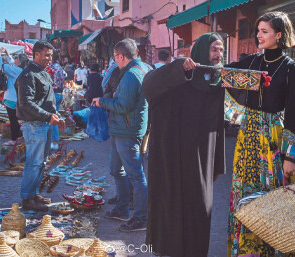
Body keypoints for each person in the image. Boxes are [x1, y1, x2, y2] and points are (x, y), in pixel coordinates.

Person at [225, 12, 295, 256]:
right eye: (258, 30)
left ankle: (268, 249)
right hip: (247, 138)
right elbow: (223, 76)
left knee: (271, 197)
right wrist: (194, 68)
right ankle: (246, 250)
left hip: (274, 142)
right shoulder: (252, 62)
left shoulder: (292, 70)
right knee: (243, 191)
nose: (258, 35)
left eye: (264, 31)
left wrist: (290, 158)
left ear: (279, 35)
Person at [142, 32, 226, 257]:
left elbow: (219, 126)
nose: (218, 54)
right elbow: (148, 87)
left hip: (201, 160)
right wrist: (178, 68)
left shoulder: (218, 83)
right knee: (172, 208)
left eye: (221, 50)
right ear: (200, 51)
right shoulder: (180, 76)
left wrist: (217, 161)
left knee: (199, 210)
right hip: (173, 155)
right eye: (214, 49)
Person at [92, 38, 150, 232]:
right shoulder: (142, 68)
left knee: (136, 175)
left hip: (127, 130)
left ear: (121, 56)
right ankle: (122, 208)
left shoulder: (132, 75)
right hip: (125, 128)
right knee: (117, 169)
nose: (114, 61)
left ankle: (141, 218)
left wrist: (102, 102)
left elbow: (123, 106)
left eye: (115, 57)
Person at [15, 41, 65, 211]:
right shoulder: (28, 75)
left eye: (51, 55)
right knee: (34, 162)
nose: (50, 59)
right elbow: (25, 103)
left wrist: (57, 116)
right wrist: (47, 116)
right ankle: (27, 199)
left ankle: (33, 194)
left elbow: (46, 100)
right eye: (47, 55)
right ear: (36, 54)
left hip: (44, 124)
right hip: (34, 125)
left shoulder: (42, 73)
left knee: (41, 162)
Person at [0, 47, 27, 146]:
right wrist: (7, 54)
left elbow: (1, 66)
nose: (15, 59)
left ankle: (14, 140)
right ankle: (18, 138)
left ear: (19, 61)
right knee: (16, 120)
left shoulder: (15, 70)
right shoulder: (21, 69)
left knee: (13, 120)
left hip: (12, 99)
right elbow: (11, 63)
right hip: (17, 98)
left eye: (17, 58)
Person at [46, 51, 66, 150]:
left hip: (53, 94)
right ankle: (55, 140)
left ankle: (54, 141)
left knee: (52, 118)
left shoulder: (51, 68)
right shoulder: (61, 68)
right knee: (55, 115)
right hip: (60, 94)